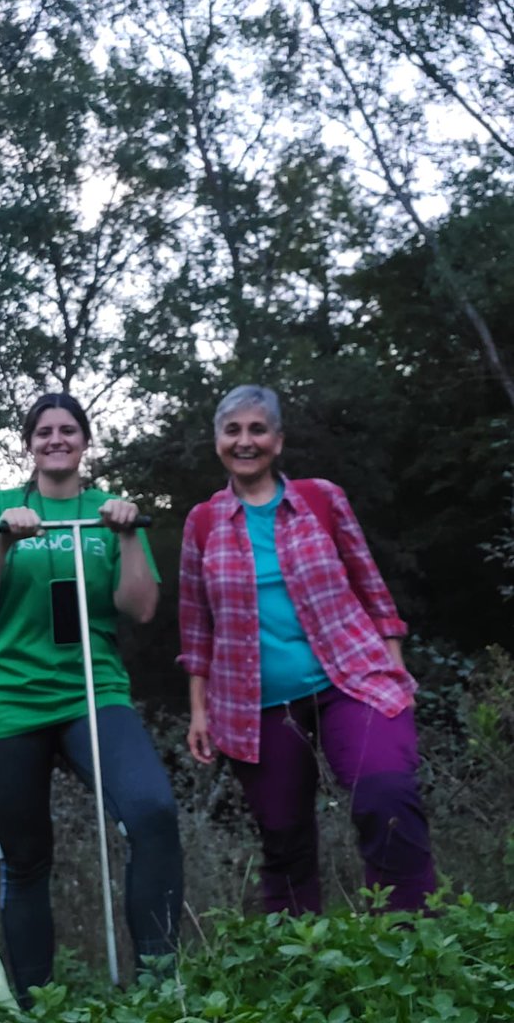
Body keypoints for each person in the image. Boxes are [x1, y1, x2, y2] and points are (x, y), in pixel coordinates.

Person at [0, 392, 182, 1003]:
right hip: (6, 700)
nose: (56, 438)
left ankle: (159, 989)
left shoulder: (110, 512)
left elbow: (141, 607)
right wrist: (2, 542)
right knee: (26, 857)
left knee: (153, 812)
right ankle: (38, 1004)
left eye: (68, 430)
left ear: (84, 441)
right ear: (29, 443)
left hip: (91, 692)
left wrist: (130, 536)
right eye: (44, 430)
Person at [179, 384, 436, 915]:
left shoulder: (321, 498)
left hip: (353, 681)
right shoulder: (202, 523)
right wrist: (200, 711)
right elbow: (196, 628)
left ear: (278, 438)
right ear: (217, 441)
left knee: (386, 798)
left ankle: (414, 941)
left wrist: (396, 669)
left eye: (257, 429)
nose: (245, 441)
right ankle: (300, 962)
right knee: (283, 837)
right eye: (233, 430)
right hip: (256, 706)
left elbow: (372, 588)